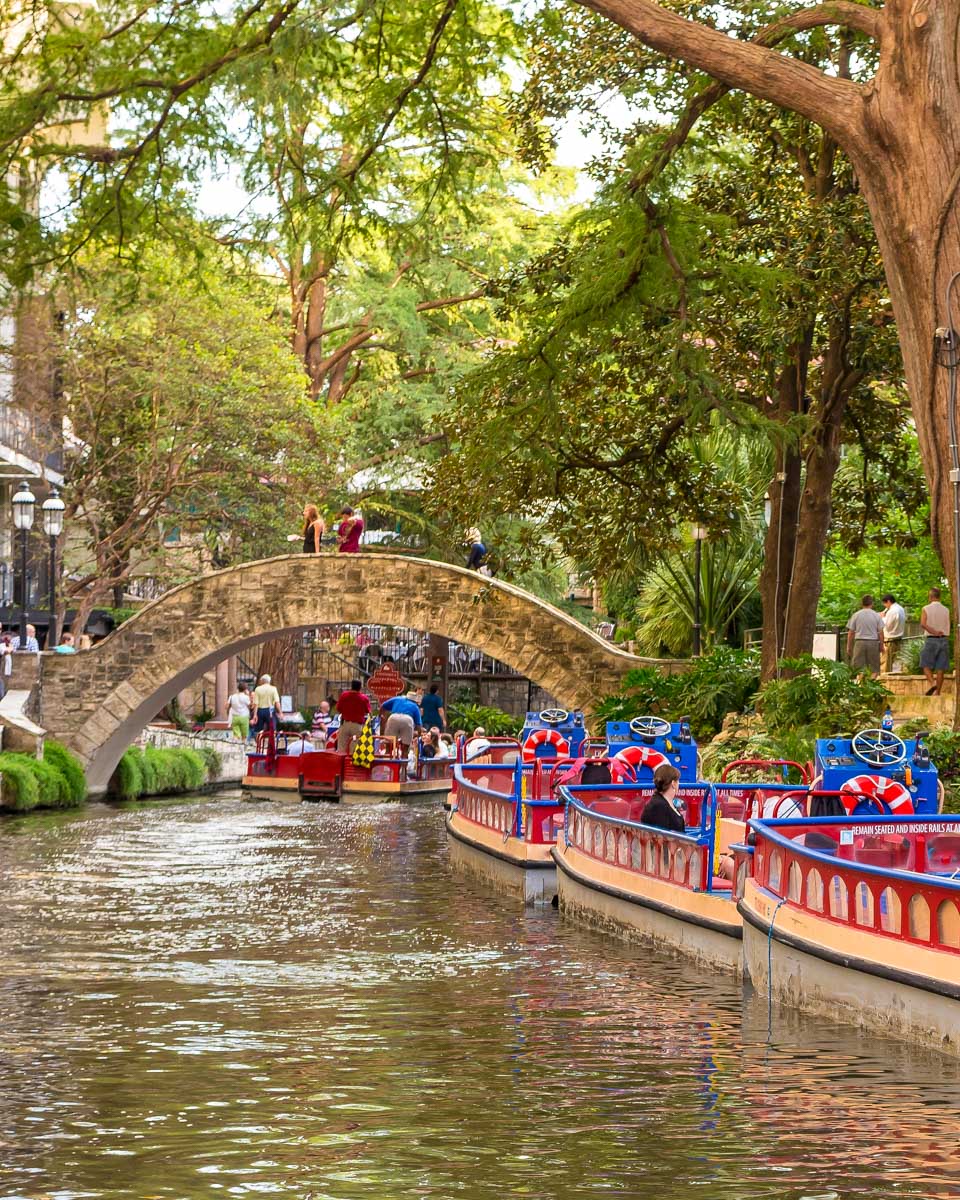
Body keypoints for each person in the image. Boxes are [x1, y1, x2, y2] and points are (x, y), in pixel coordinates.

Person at [920, 586, 951, 695]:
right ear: (939, 596)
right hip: (944, 640)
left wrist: (934, 632)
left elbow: (923, 624)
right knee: (940, 668)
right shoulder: (946, 610)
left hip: (931, 640)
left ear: (930, 597)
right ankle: (937, 693)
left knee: (925, 664)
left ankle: (933, 683)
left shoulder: (926, 608)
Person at [639, 763, 686, 833]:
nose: (679, 784)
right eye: (678, 781)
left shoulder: (665, 802)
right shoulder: (659, 806)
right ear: (673, 783)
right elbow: (660, 836)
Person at [845, 594, 885, 677]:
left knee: (858, 667)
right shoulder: (876, 615)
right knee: (874, 668)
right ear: (872, 603)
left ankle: (862, 683)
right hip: (873, 643)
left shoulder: (856, 615)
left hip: (859, 643)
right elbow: (881, 632)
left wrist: (849, 646)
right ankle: (871, 682)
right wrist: (881, 645)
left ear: (861, 603)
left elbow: (851, 632)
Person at [379, 689, 423, 754]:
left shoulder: (398, 698)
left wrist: (381, 716)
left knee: (389, 744)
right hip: (407, 719)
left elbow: (383, 706)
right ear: (415, 700)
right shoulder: (415, 706)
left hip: (393, 717)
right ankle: (404, 757)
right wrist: (419, 736)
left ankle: (387, 755)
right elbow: (418, 725)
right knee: (405, 748)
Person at [336, 679, 371, 752]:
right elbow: (368, 711)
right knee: (354, 747)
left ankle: (341, 758)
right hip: (357, 727)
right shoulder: (364, 698)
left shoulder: (344, 695)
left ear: (351, 686)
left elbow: (338, 708)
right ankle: (351, 759)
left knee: (341, 746)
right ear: (360, 687)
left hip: (345, 725)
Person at [881, 593, 906, 673]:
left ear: (888, 601)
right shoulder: (901, 608)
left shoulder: (892, 611)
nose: (885, 606)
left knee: (886, 663)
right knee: (894, 663)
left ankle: (884, 679)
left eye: (885, 604)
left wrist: (882, 617)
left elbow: (887, 626)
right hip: (898, 638)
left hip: (890, 640)